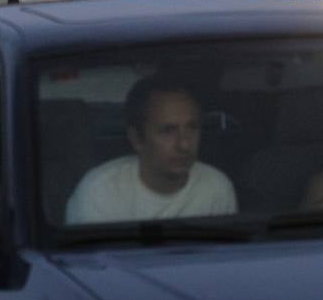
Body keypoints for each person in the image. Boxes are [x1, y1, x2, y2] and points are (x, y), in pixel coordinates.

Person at [65, 77, 237, 224]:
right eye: (168, 131)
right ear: (136, 139)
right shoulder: (99, 193)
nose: (184, 144)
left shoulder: (216, 188)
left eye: (192, 128)